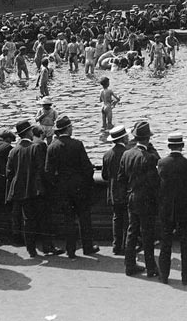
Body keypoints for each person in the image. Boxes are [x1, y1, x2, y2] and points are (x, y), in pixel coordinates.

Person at [5, 120, 61, 258]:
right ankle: (47, 247)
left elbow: (9, 173)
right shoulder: (35, 148)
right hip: (36, 189)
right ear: (28, 132)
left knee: (27, 220)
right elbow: (42, 170)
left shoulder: (13, 151)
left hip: (20, 191)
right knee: (44, 219)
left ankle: (31, 250)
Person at [45, 116, 98, 258]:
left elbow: (48, 172)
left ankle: (70, 250)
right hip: (79, 188)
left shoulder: (52, 147)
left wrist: (58, 185)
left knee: (68, 219)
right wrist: (86, 183)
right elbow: (87, 169)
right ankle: (88, 247)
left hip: (63, 189)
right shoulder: (77, 144)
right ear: (68, 128)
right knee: (84, 218)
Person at [118, 120, 160, 278]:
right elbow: (156, 178)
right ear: (148, 138)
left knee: (132, 231)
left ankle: (129, 265)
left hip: (132, 197)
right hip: (146, 199)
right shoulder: (149, 157)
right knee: (147, 234)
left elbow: (121, 178)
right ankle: (151, 268)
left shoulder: (126, 154)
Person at [157, 132, 187, 285]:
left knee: (166, 241)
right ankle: (186, 275)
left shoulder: (162, 163)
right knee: (186, 242)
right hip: (185, 206)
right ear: (182, 146)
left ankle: (163, 275)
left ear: (169, 146)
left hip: (167, 208)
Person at [101, 125, 129, 255]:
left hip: (113, 191)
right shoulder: (127, 153)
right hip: (126, 191)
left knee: (116, 218)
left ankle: (116, 245)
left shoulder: (107, 155)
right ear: (123, 138)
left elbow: (104, 176)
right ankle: (127, 245)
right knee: (128, 220)